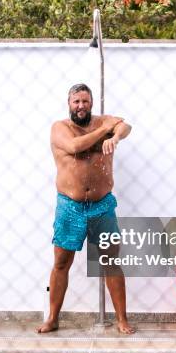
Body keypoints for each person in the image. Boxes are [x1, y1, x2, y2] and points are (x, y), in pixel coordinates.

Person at [37, 83, 134, 334]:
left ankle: (122, 319)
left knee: (111, 261)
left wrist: (114, 136)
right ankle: (53, 318)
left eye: (85, 101)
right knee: (61, 262)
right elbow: (74, 147)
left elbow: (125, 126)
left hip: (102, 205)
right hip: (70, 206)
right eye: (76, 101)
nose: (81, 106)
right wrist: (104, 129)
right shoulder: (60, 128)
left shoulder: (104, 123)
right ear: (69, 103)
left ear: (91, 102)